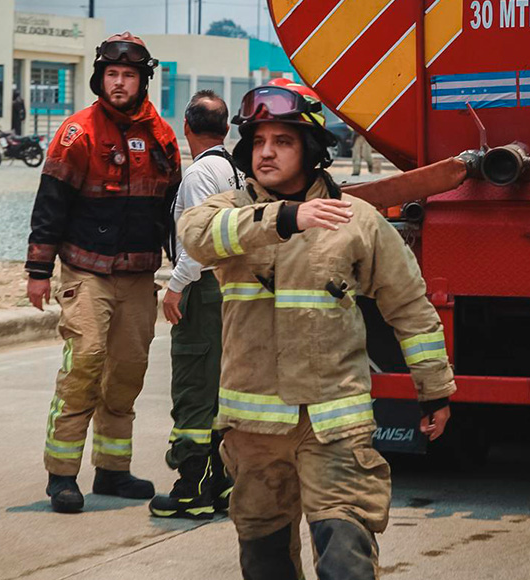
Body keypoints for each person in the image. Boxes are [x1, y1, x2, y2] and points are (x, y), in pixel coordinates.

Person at [178, 79, 456, 580]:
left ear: (308, 149)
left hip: (334, 429)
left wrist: (433, 388)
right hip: (255, 434)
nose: (266, 153)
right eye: (258, 141)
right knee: (264, 561)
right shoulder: (227, 211)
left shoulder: (358, 221)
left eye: (282, 141)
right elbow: (195, 236)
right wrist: (285, 217)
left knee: (346, 554)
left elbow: (410, 308)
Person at [26, 32, 181, 514]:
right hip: (86, 271)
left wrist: (186, 275)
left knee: (128, 372)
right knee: (85, 363)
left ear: (142, 80)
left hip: (138, 275)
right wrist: (37, 270)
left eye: (128, 75)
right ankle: (62, 475)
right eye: (112, 74)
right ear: (100, 77)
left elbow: (175, 211)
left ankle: (113, 471)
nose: (119, 83)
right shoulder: (78, 132)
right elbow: (50, 203)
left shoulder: (162, 135)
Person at [149, 91, 243, 519]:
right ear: (225, 129)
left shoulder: (201, 173)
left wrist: (174, 287)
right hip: (226, 289)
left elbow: (198, 242)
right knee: (218, 388)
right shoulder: (233, 170)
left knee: (193, 388)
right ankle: (220, 484)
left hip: (203, 291)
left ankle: (192, 489)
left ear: (187, 127)